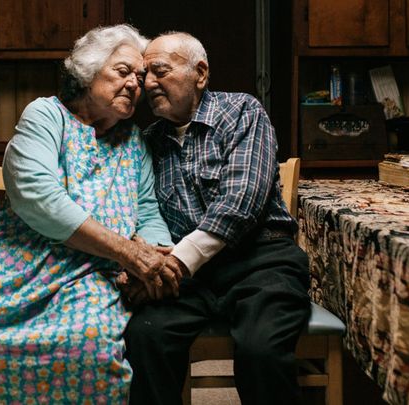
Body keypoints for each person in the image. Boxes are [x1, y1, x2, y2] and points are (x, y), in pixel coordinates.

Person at [0, 24, 179, 405]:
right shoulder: (46, 115)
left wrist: (154, 254)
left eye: (139, 76)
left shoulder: (133, 140)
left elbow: (148, 211)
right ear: (88, 71)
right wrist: (128, 252)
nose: (135, 84)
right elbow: (39, 197)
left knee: (90, 346)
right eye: (123, 72)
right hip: (14, 256)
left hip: (92, 270)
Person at [122, 32, 312, 405]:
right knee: (145, 339)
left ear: (201, 73)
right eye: (145, 75)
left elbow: (240, 202)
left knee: (262, 351)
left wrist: (176, 261)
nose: (148, 83)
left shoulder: (242, 111)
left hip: (261, 261)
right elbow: (143, 212)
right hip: (191, 275)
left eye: (159, 70)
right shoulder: (148, 140)